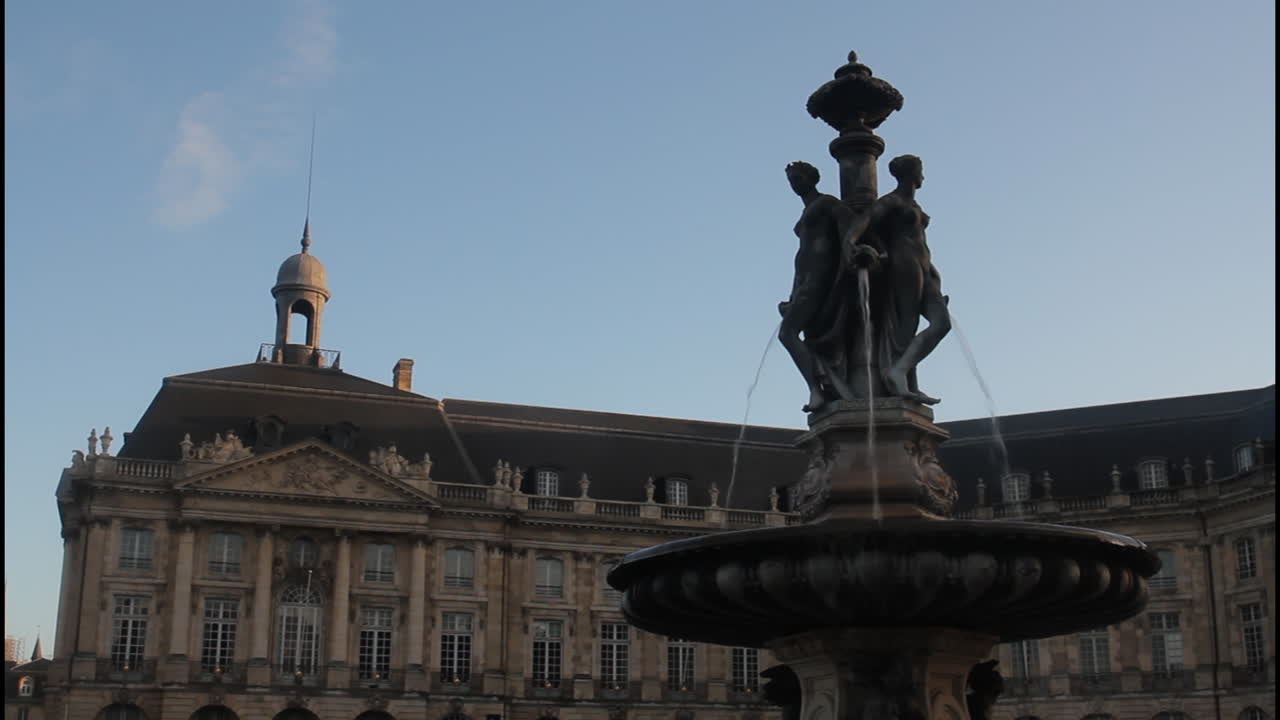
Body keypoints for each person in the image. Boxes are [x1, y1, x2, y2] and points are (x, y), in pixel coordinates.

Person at [778, 161, 878, 411]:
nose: (795, 183)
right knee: (798, 336)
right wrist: (792, 294)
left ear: (813, 178)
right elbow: (800, 261)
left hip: (821, 278)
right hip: (805, 280)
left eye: (799, 177)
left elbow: (851, 229)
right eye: (791, 179)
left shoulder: (827, 203)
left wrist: (858, 251)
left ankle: (817, 389)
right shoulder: (807, 211)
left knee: (787, 334)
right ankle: (825, 383)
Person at [868, 154, 950, 405]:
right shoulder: (891, 201)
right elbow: (863, 224)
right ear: (910, 174)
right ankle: (902, 378)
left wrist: (933, 272)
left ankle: (900, 370)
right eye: (920, 170)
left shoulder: (914, 207)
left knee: (941, 323)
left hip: (925, 268)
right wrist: (871, 248)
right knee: (907, 325)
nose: (922, 176)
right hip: (904, 264)